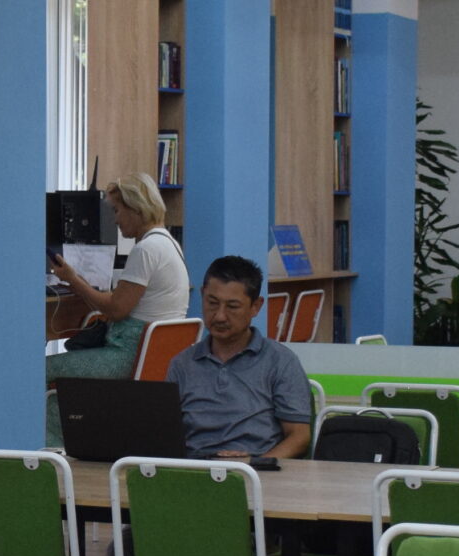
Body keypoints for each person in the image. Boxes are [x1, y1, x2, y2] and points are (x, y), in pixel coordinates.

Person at [166, 255, 314, 459]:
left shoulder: (280, 362)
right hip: (196, 468)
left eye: (232, 307)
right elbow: (166, 435)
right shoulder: (182, 364)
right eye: (212, 303)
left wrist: (256, 464)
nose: (219, 316)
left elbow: (299, 437)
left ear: (256, 306)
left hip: (257, 469)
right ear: (202, 295)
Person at [46, 172, 188, 377]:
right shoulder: (169, 243)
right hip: (154, 356)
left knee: (42, 369)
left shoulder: (146, 249)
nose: (115, 220)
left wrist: (73, 280)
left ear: (136, 208)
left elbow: (116, 310)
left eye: (116, 211)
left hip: (128, 356)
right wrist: (79, 282)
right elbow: (123, 301)